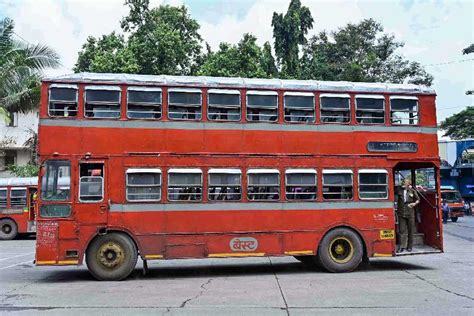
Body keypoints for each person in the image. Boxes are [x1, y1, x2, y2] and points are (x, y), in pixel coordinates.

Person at [396, 178, 420, 252]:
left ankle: (409, 246)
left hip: (410, 213)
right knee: (402, 230)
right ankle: (401, 246)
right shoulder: (399, 190)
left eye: (405, 182)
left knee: (410, 230)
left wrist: (414, 203)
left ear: (408, 184)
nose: (403, 183)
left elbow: (418, 199)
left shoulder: (412, 191)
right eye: (403, 182)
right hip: (401, 212)